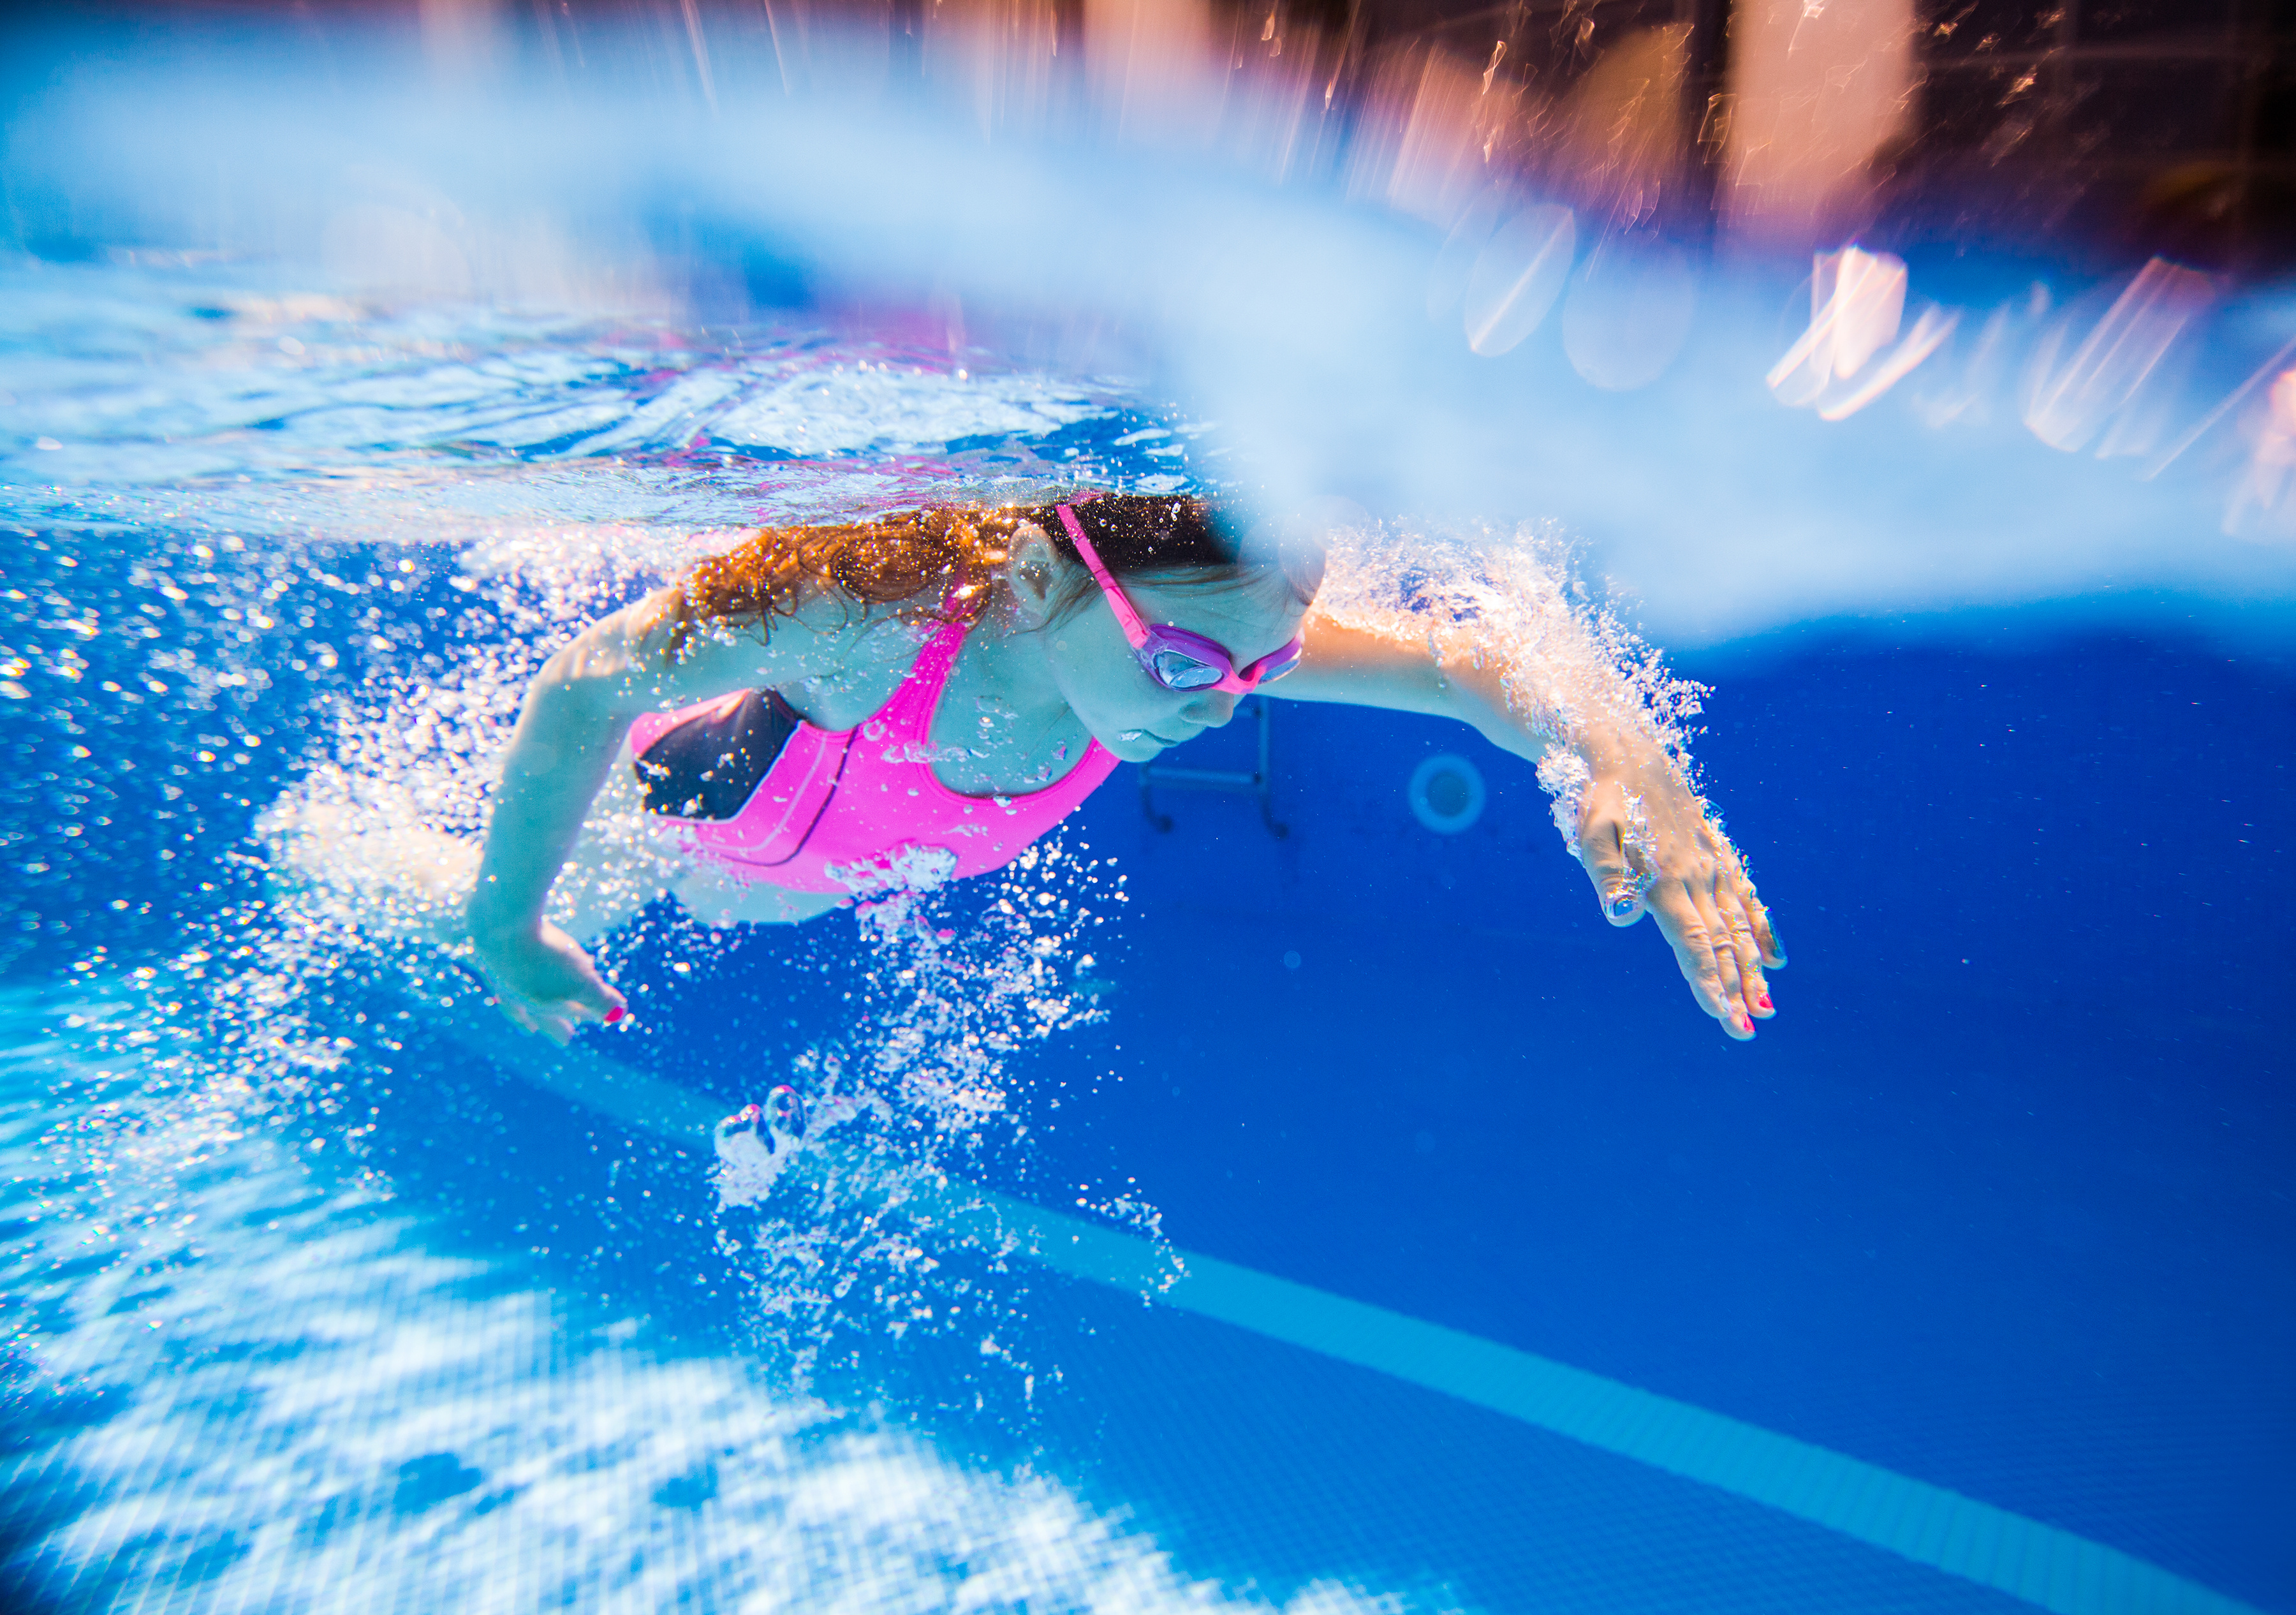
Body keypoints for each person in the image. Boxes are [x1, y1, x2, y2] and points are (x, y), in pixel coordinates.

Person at [466, 494, 1783, 1043]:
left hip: (804, 876)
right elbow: (589, 681)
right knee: (432, 918)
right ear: (1042, 576)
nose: (1222, 711)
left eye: (1260, 674)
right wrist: (507, 918)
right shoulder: (867, 622)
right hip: (652, 828)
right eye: (1191, 667)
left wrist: (1622, 769)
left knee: (724, 907)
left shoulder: (1184, 639)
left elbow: (1462, 667)